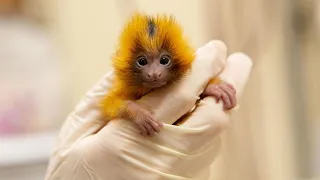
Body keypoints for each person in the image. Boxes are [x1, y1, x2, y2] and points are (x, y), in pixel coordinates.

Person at [44, 40, 252, 180]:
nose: (154, 73)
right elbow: (112, 104)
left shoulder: (185, 73)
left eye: (164, 61)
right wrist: (134, 111)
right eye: (143, 62)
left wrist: (210, 86)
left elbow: (193, 90)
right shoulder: (126, 84)